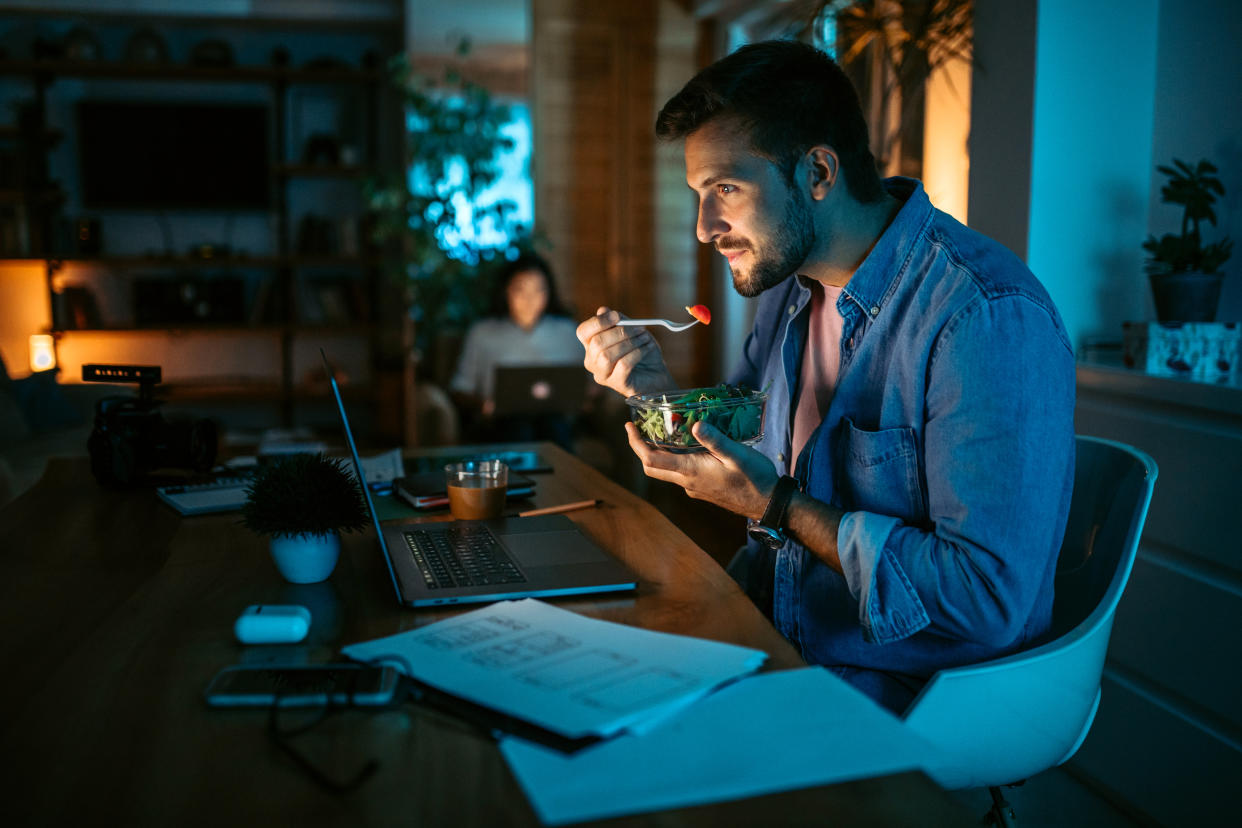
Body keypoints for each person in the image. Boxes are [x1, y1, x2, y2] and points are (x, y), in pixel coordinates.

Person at [576, 40, 1076, 713]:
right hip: (775, 645)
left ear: (817, 172)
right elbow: (741, 458)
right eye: (699, 195)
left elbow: (985, 599)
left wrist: (779, 506)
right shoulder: (790, 294)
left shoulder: (983, 316)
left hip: (903, 690)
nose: (703, 227)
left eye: (725, 188)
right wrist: (653, 388)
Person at [450, 252, 583, 450]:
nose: (530, 299)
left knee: (553, 426)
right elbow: (459, 388)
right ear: (506, 291)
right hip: (503, 421)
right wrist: (484, 405)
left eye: (539, 290)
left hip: (556, 418)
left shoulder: (568, 331)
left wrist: (588, 394)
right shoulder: (483, 333)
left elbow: (586, 381)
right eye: (521, 290)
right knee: (519, 427)